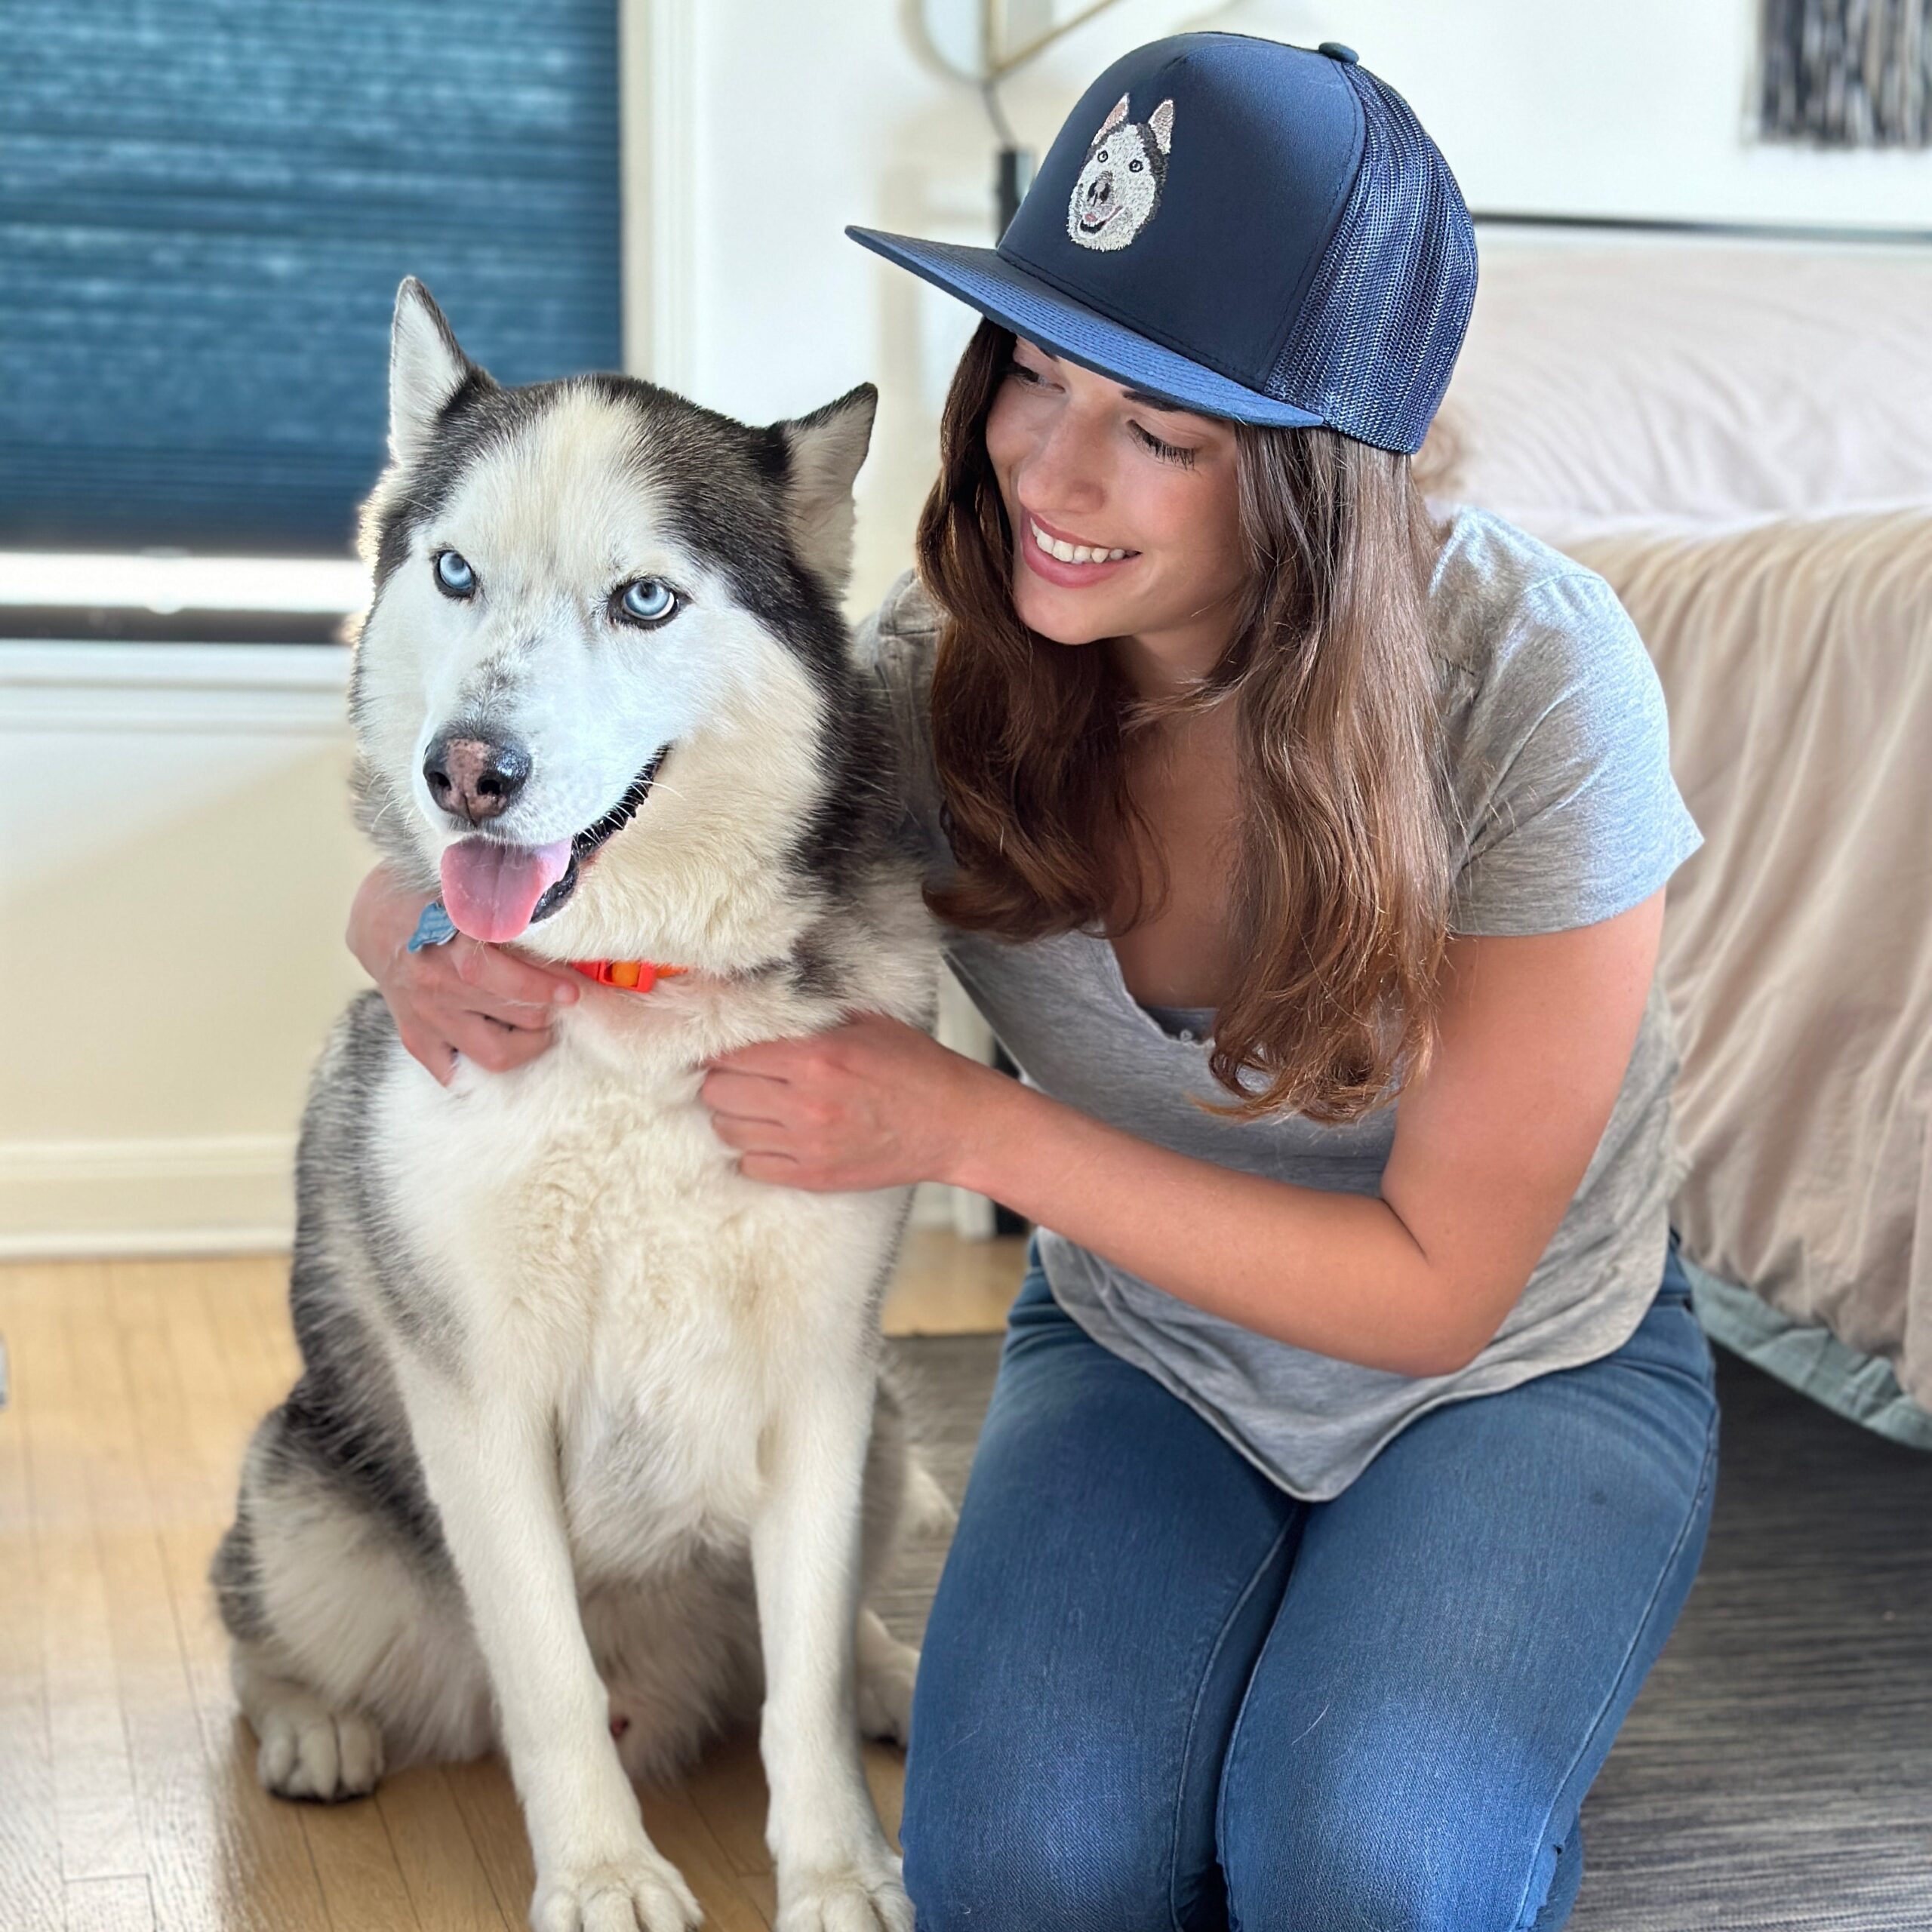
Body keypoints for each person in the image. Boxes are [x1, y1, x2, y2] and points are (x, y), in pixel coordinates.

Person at [348, 32, 1718, 1932]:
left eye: (1157, 430)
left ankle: (1423, 1731)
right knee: (1021, 1875)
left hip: (1504, 1378)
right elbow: (634, 803)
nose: (1048, 476)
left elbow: (1434, 1294)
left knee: (1360, 1861)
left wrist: (962, 1119)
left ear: (1318, 476)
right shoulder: (940, 674)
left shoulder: (1536, 687)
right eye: (1034, 375)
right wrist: (399, 924)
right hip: (1152, 1345)